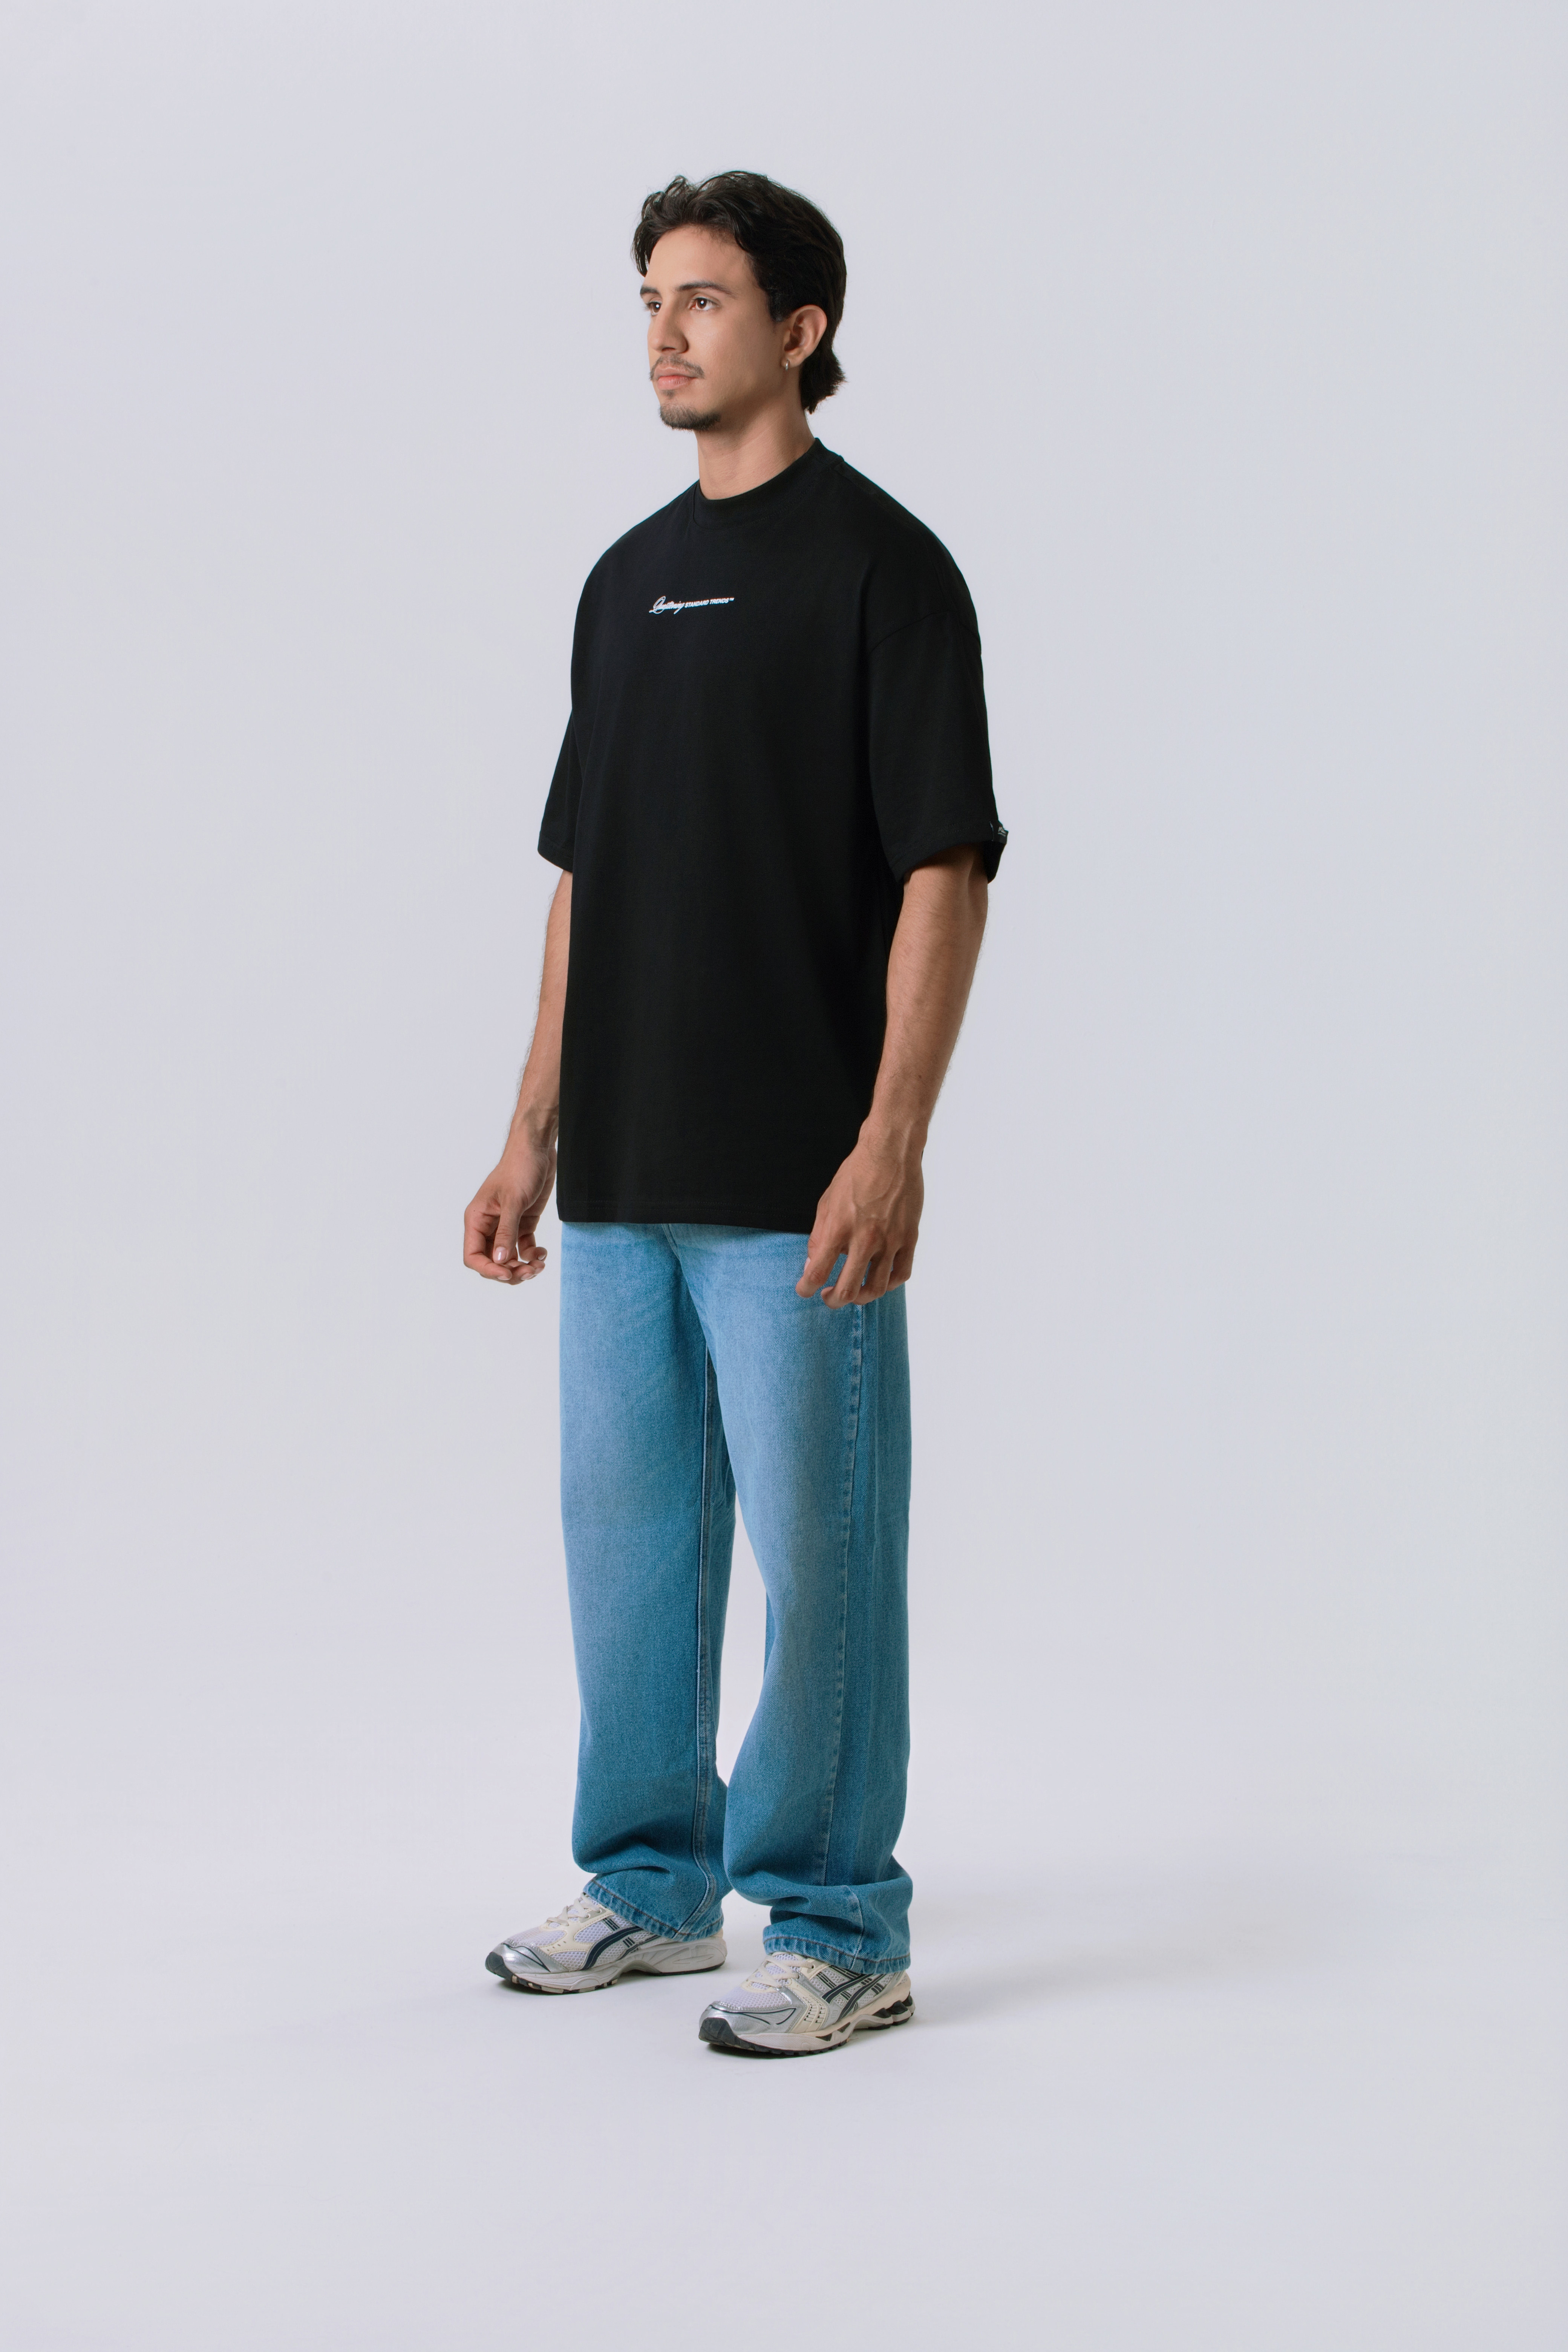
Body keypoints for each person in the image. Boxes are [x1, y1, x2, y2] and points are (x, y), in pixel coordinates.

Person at [463, 170, 1006, 2057]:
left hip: (797, 1169)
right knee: (628, 1553)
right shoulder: (622, 582)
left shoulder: (881, 569)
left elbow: (942, 869)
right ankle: (648, 1886)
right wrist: (530, 1132)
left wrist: (892, 1140)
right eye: (647, 299)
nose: (664, 333)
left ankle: (842, 1921)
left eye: (701, 299)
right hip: (623, 1169)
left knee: (824, 1556)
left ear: (799, 329)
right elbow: (583, 879)